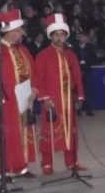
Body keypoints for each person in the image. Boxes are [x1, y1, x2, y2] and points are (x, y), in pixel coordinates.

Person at [0, 9, 37, 180]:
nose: (22, 33)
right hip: (5, 100)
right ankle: (3, 170)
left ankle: (21, 166)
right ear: (10, 32)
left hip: (23, 98)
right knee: (4, 135)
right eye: (19, 30)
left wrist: (34, 91)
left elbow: (34, 72)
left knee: (20, 133)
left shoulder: (23, 50)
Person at [33, 14, 86, 175]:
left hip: (69, 101)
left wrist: (80, 96)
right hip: (52, 101)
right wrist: (44, 98)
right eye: (56, 34)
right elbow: (38, 79)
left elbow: (77, 76)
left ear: (65, 36)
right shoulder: (43, 55)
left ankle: (72, 162)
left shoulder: (71, 55)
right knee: (49, 132)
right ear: (50, 36)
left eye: (62, 34)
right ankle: (47, 164)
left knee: (71, 132)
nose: (59, 37)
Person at [75, 31, 96, 116]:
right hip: (77, 71)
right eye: (81, 37)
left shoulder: (90, 47)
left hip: (87, 71)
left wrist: (87, 62)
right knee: (78, 91)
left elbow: (94, 58)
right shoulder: (75, 47)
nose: (83, 38)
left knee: (88, 91)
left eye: (84, 37)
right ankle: (79, 109)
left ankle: (89, 109)